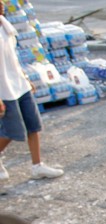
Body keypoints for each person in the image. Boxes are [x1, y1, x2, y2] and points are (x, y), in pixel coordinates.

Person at [0, 2, 63, 182]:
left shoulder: (5, 27)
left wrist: (25, 78)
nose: (2, 8)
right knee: (11, 131)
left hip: (19, 84)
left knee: (33, 125)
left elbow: (12, 58)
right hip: (4, 89)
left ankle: (37, 166)